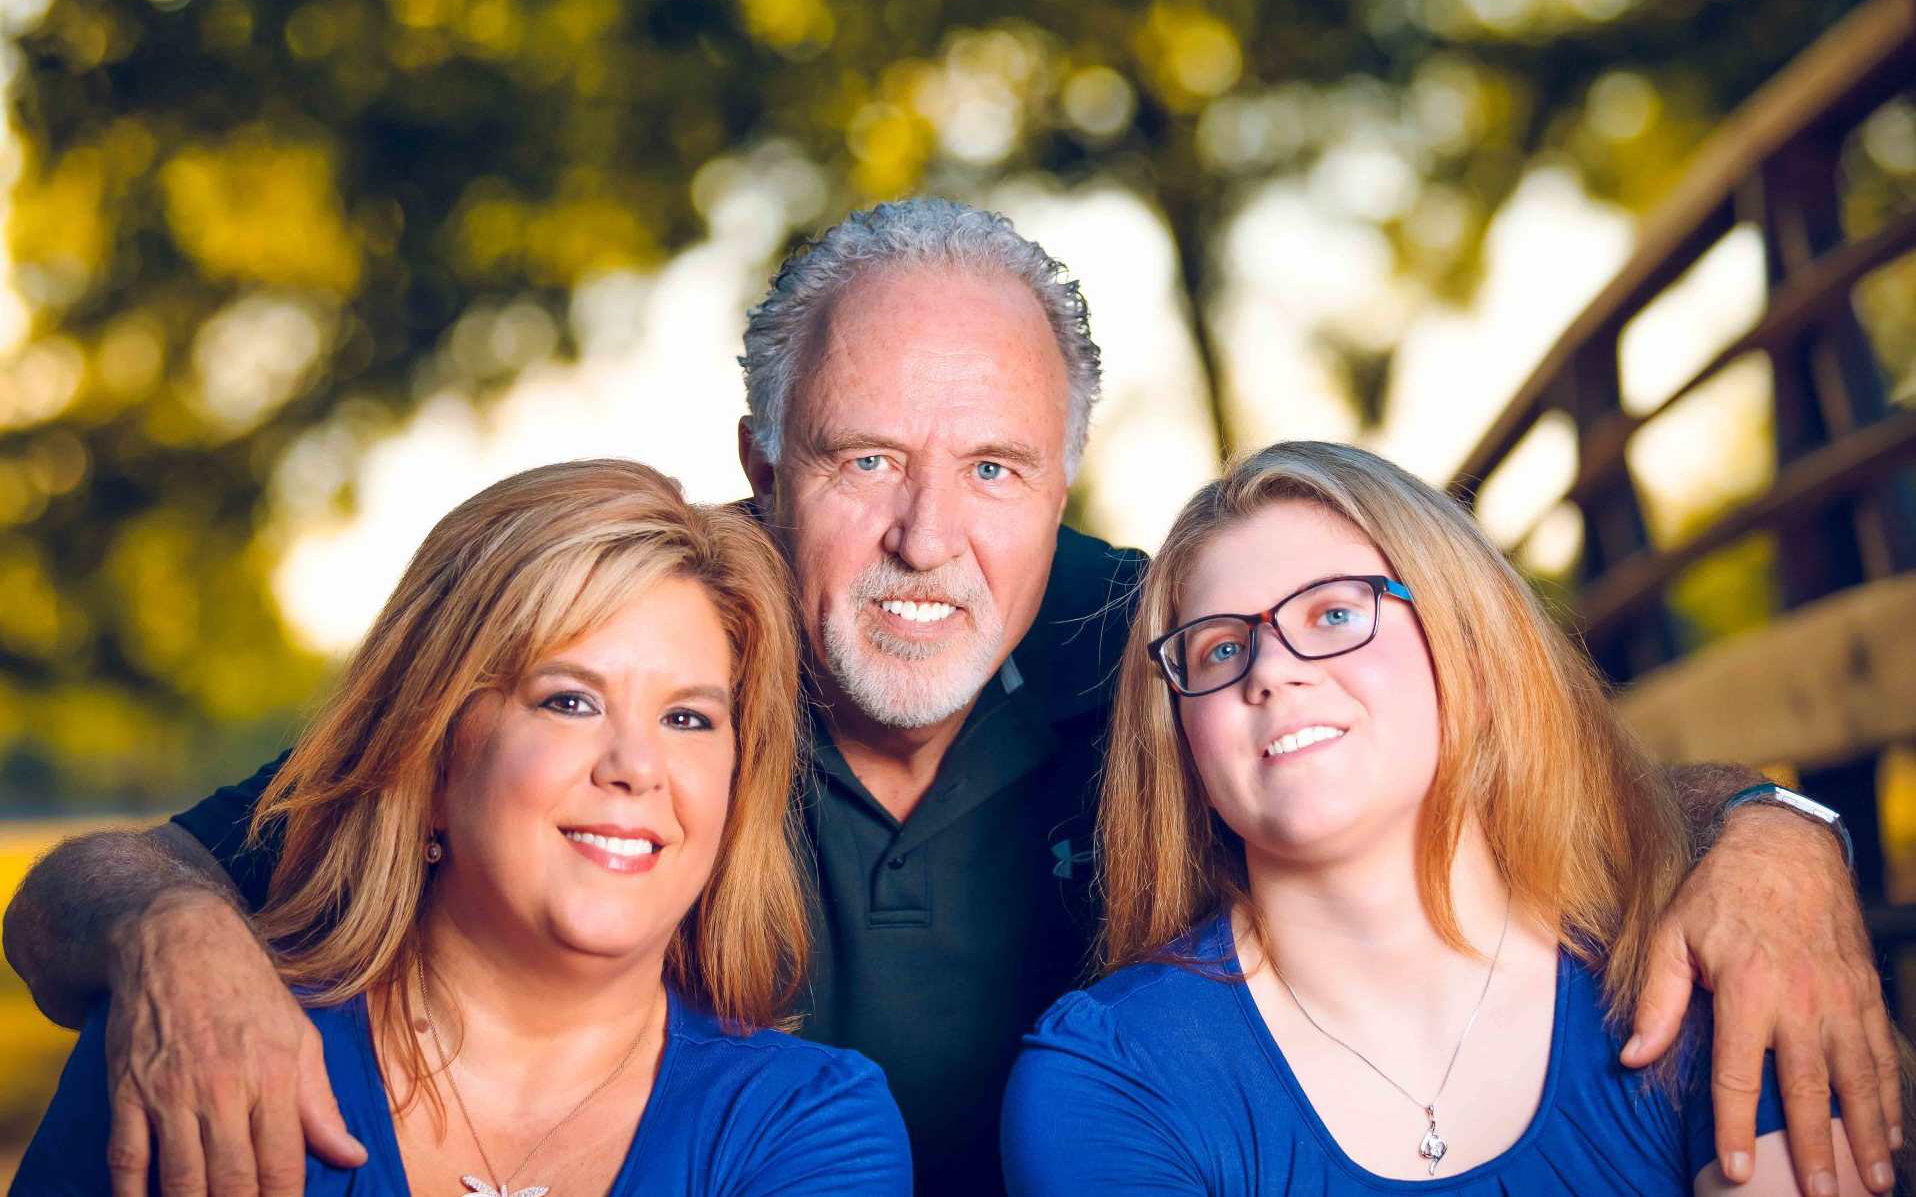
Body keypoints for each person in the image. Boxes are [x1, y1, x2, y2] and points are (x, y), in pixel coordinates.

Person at [2, 201, 1901, 1197]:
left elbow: (1490, 764)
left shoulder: (1170, 649)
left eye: (996, 467)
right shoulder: (654, 669)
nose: (930, 534)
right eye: (863, 461)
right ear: (762, 465)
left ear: (1063, 481)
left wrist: (1774, 831)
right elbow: (87, 890)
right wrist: (175, 930)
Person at [1001, 440, 1900, 1194]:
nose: (1270, 670)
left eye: (1335, 612)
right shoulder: (1111, 1079)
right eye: (1222, 648)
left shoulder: (1718, 958)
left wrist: (1781, 826)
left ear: (1468, 652)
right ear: (1187, 748)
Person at [12, 460, 911, 1195]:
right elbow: (63, 904)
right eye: (569, 701)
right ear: (432, 753)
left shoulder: (805, 1125)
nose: (637, 766)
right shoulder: (193, 1036)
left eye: (688, 718)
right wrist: (169, 930)